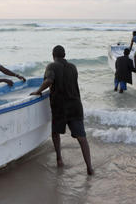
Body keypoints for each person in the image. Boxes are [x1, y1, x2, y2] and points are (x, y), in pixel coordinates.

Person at [30, 45, 94, 175]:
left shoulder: (52, 66)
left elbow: (49, 80)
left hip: (60, 107)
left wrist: (38, 91)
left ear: (53, 55)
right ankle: (89, 167)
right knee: (82, 138)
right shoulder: (73, 67)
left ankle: (59, 159)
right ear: (64, 55)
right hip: (75, 106)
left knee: (55, 133)